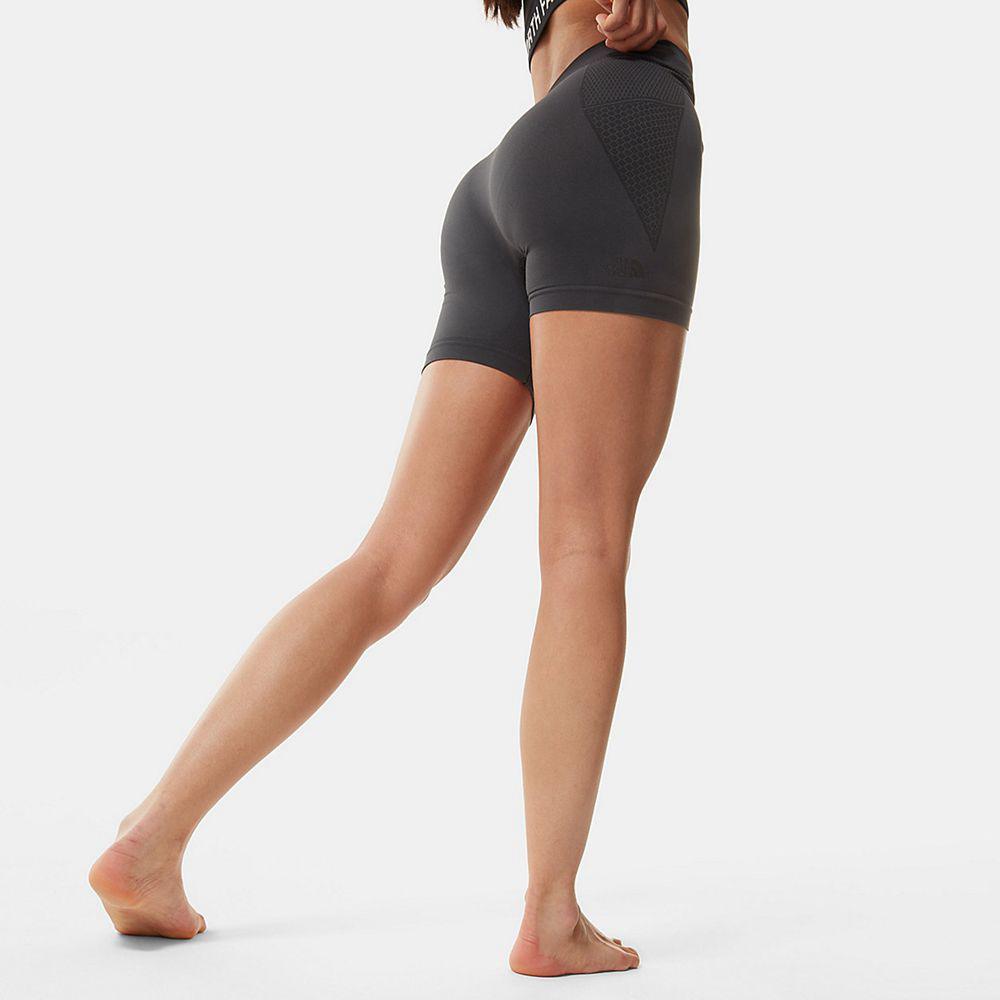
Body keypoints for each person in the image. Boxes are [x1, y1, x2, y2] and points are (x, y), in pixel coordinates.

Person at [89, 0, 700, 977]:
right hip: (616, 137)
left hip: (507, 177)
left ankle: (150, 840)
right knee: (584, 544)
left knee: (388, 562)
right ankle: (551, 916)